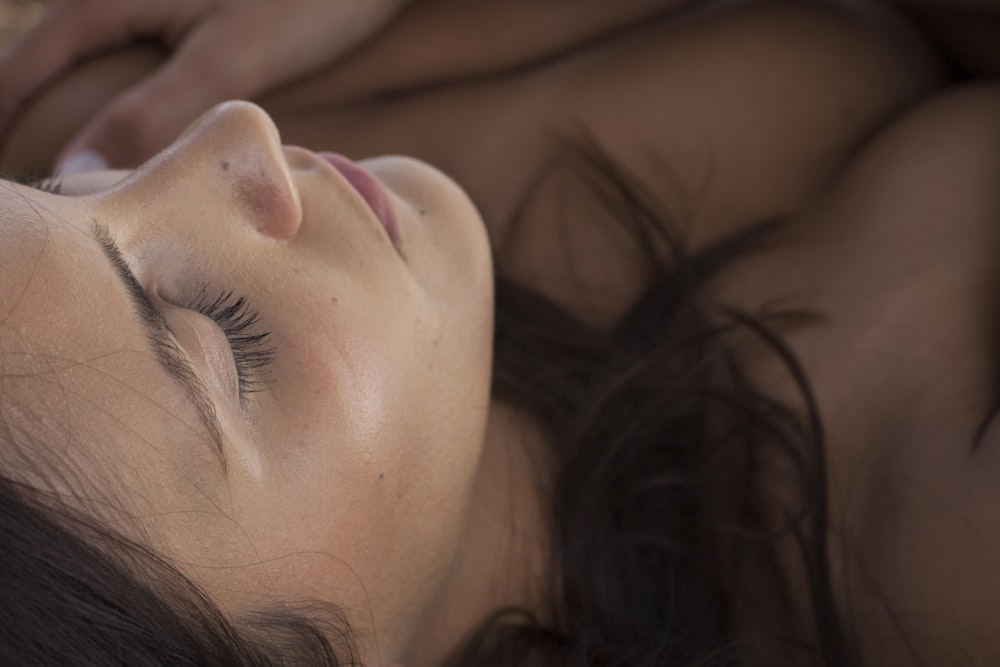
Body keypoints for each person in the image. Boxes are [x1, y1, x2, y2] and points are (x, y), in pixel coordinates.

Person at [0, 0, 992, 665]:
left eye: (52, 196)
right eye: (222, 336)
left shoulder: (106, 117)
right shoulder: (938, 552)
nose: (230, 132)